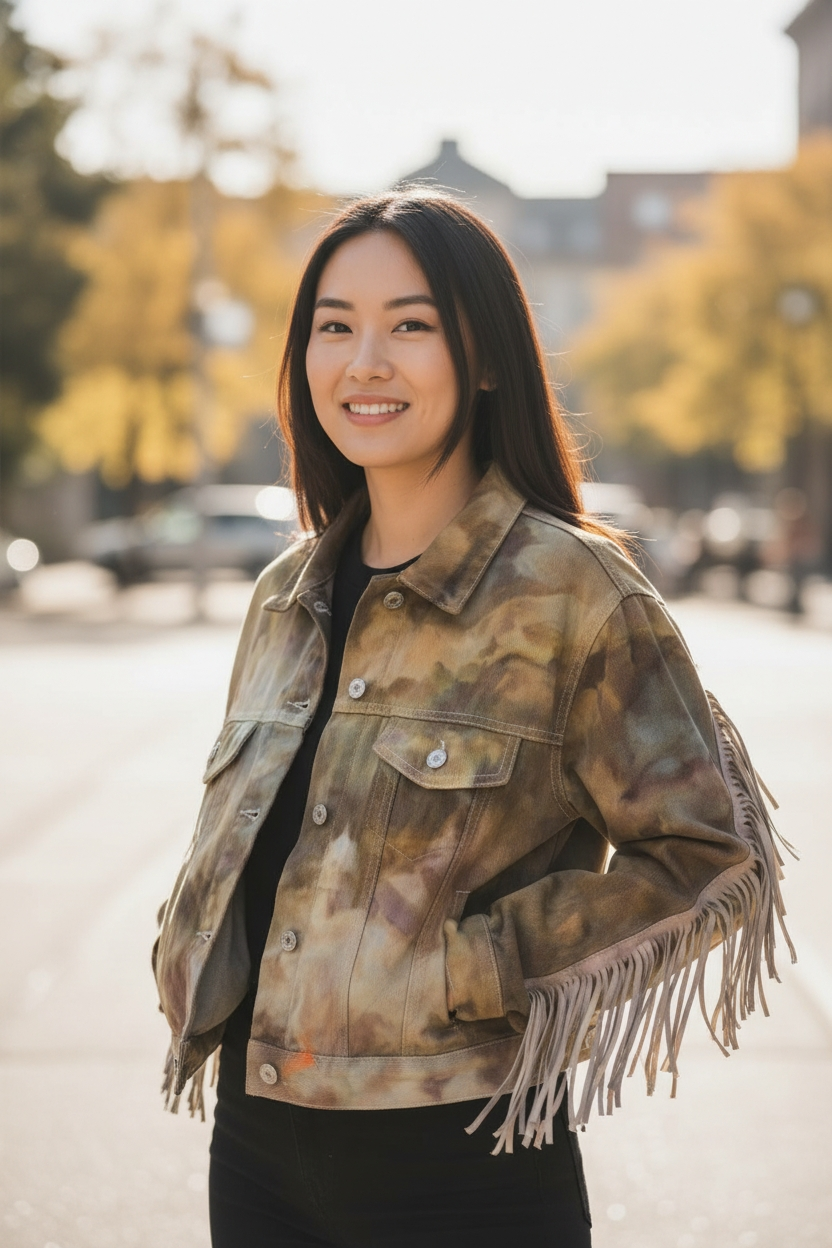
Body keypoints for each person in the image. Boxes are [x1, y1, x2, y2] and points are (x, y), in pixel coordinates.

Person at [152, 189, 794, 1248]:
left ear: (484, 357)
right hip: (255, 1144)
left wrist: (478, 968)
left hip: (461, 1163)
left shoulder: (574, 594)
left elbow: (712, 858)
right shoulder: (282, 597)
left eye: (411, 325)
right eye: (334, 326)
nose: (365, 362)